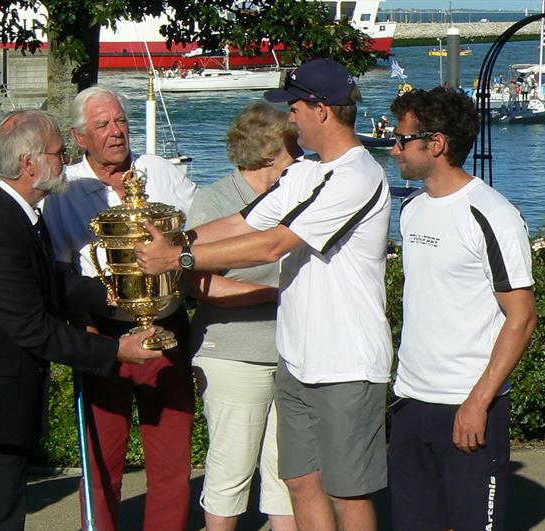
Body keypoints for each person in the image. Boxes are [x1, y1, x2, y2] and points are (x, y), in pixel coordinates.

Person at [135, 58, 393, 531]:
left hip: (347, 361)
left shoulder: (358, 176)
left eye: (294, 107)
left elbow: (275, 242)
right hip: (296, 358)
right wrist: (176, 242)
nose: (290, 119)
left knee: (348, 493)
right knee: (300, 482)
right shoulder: (303, 174)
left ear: (321, 110)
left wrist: (177, 260)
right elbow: (244, 221)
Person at [0, 110, 162, 530]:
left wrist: (122, 299)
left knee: (1, 519)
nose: (65, 161)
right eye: (59, 153)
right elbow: (31, 326)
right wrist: (116, 350)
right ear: (29, 164)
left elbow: (51, 283)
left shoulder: (18, 212)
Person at [44, 85, 197, 531]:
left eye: (121, 122)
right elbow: (57, 275)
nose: (116, 133)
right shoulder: (66, 189)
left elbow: (203, 232)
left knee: (171, 453)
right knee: (102, 455)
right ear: (80, 137)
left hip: (166, 325)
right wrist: (83, 332)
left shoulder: (160, 171)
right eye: (103, 125)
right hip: (101, 336)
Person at [388, 87, 537, 531]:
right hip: (411, 401)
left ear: (436, 144)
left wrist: (478, 402)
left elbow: (522, 317)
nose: (393, 148)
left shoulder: (492, 214)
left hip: (469, 405)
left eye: (402, 139)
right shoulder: (412, 209)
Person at [187, 101, 300, 531]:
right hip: (232, 354)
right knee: (231, 468)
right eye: (294, 145)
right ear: (272, 152)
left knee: (287, 470)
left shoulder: (296, 197)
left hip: (291, 354)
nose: (303, 153)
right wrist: (274, 294)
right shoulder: (213, 200)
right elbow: (198, 284)